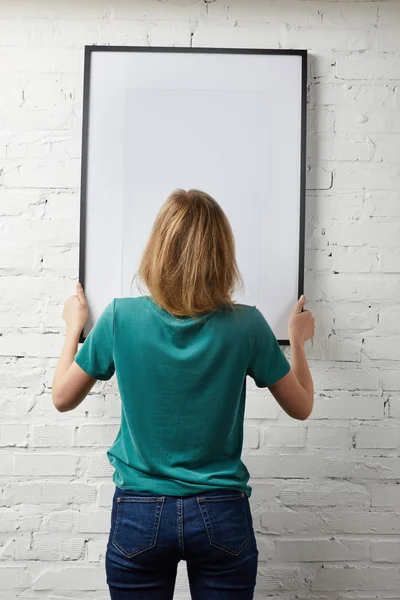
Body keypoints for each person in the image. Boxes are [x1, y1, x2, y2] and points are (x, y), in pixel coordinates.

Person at [52, 189, 315, 600]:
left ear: (158, 249)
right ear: (221, 254)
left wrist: (74, 324)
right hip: (221, 511)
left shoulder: (120, 317)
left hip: (139, 512)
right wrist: (297, 341)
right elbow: (301, 406)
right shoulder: (246, 325)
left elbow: (62, 398)